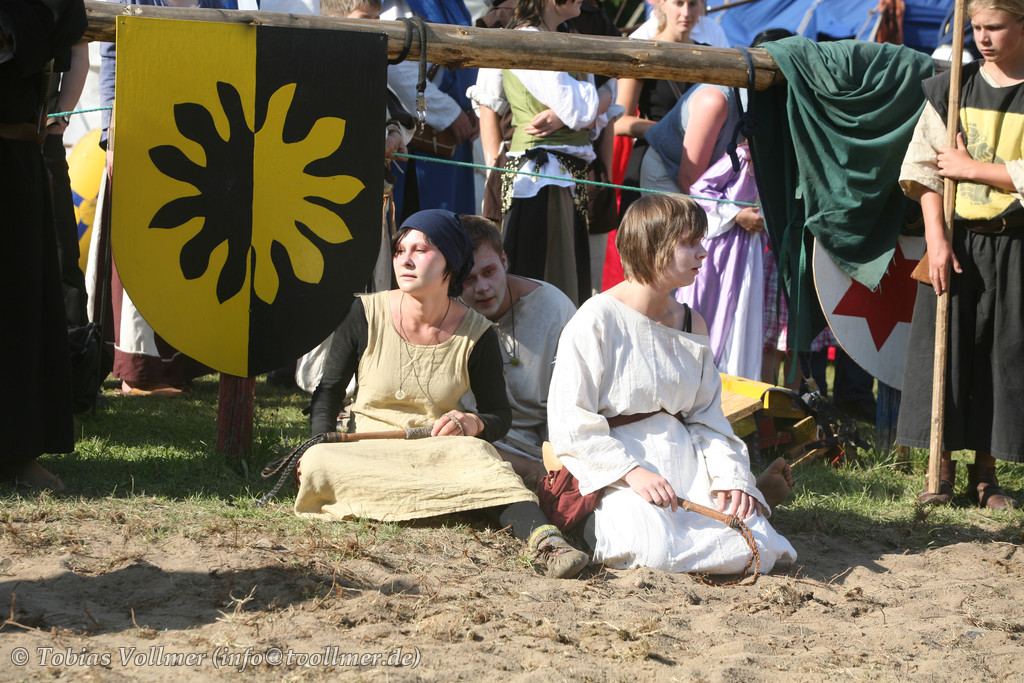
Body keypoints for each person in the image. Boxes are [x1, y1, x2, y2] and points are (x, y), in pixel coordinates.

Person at [296, 209, 590, 579]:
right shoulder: (364, 311)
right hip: (368, 445)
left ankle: (548, 543)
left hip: (436, 449)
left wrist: (474, 423)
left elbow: (499, 416)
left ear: (449, 261)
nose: (405, 260)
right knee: (320, 461)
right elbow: (328, 392)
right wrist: (318, 442)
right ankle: (444, 501)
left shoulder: (477, 332)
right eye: (400, 250)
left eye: (420, 250)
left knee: (482, 458)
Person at [547, 194, 797, 574]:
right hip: (618, 463)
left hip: (686, 460)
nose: (703, 252)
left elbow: (707, 416)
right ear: (653, 248)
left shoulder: (692, 322)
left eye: (701, 241)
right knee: (653, 551)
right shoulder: (596, 319)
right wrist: (631, 472)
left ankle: (752, 494)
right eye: (689, 242)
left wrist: (728, 477)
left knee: (757, 546)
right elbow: (571, 420)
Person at [898, 0, 1024, 509]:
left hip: (1015, 241)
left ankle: (987, 475)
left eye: (995, 27)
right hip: (956, 240)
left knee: (1004, 355)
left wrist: (975, 170)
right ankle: (940, 469)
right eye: (975, 28)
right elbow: (925, 168)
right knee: (944, 351)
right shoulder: (952, 88)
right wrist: (936, 237)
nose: (983, 38)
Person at [1, 0, 87, 490]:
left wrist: (58, 118)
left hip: (21, 158)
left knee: (22, 305)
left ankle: (17, 452)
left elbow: (74, 47)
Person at [458, 215, 576, 487]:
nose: (482, 288)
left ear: (504, 261)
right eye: (468, 279)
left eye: (489, 272)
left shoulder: (554, 309)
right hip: (472, 440)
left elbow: (573, 405)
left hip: (539, 447)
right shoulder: (448, 310)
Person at [500, 0, 601, 306]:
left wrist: (577, 110)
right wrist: (587, 105)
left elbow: (596, 112)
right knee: (544, 281)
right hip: (541, 180)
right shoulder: (528, 39)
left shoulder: (563, 36)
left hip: (564, 178)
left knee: (564, 281)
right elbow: (581, 111)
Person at [382, 0, 479, 219]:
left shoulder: (452, 4)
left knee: (450, 225)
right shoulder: (399, 4)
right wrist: (450, 113)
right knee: (421, 226)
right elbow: (396, 67)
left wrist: (472, 107)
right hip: (420, 142)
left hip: (451, 137)